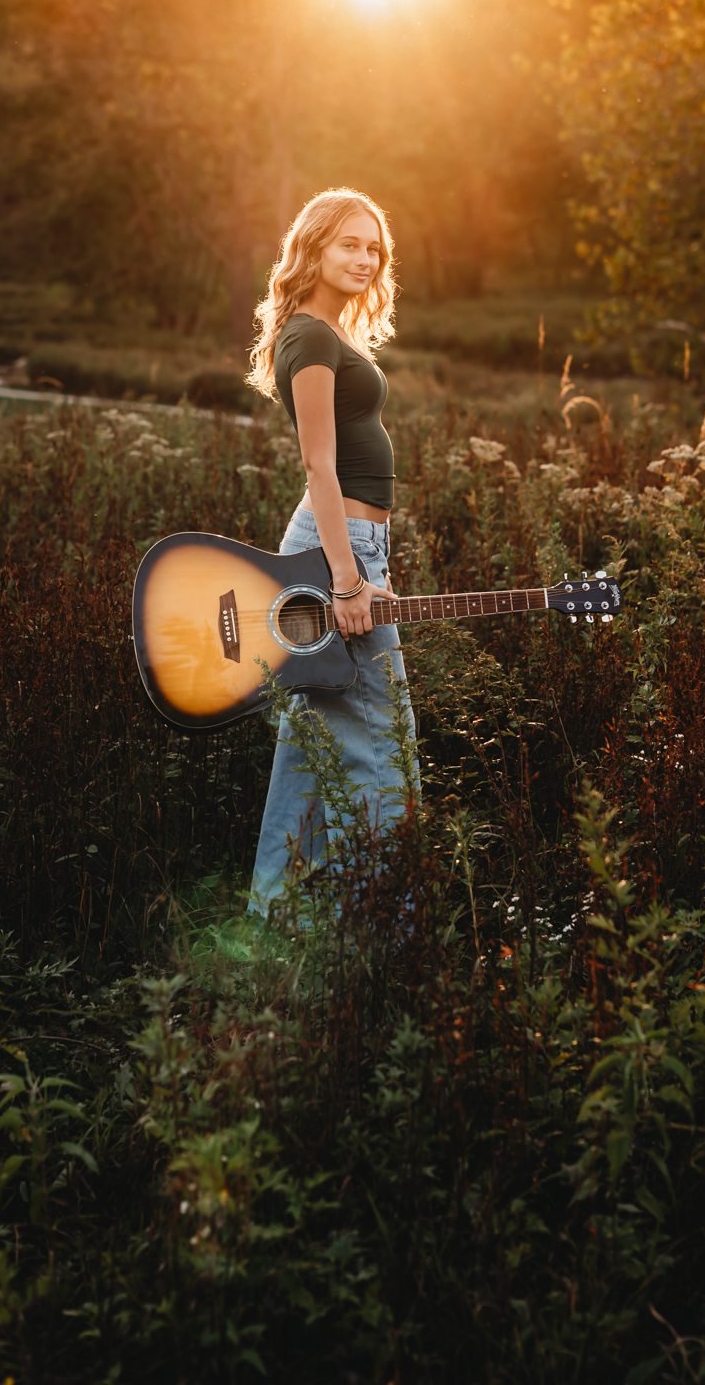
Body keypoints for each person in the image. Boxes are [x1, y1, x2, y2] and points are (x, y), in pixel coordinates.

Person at [244, 186, 419, 917]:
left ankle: (275, 912)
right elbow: (318, 464)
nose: (364, 258)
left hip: (348, 544)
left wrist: (362, 560)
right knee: (384, 742)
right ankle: (388, 927)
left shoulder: (325, 333)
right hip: (335, 550)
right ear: (313, 249)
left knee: (309, 744)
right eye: (349, 244)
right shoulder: (312, 338)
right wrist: (347, 579)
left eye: (373, 248)